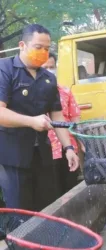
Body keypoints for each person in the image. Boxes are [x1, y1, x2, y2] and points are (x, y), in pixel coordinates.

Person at [0, 24, 80, 210]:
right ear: (22, 45)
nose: (43, 52)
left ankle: (49, 239)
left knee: (48, 206)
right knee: (21, 210)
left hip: (42, 154)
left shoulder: (48, 78)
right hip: (13, 156)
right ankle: (19, 240)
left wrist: (68, 147)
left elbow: (57, 114)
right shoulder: (5, 69)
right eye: (38, 47)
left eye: (46, 48)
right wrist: (31, 121)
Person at [42, 53, 82, 196]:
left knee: (71, 190)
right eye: (44, 67)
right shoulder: (32, 94)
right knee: (52, 193)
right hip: (46, 151)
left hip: (68, 148)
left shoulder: (65, 91)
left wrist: (81, 142)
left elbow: (75, 119)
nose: (48, 70)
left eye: (51, 67)